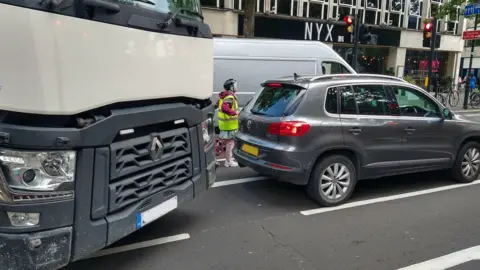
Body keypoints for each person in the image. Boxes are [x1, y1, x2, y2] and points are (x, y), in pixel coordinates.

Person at [216, 78, 239, 167]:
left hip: (224, 125)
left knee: (225, 142)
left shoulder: (223, 96)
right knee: (231, 143)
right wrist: (235, 113)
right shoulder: (230, 97)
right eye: (236, 86)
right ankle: (228, 161)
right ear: (231, 87)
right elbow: (224, 108)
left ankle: (217, 151)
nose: (237, 87)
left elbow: (218, 104)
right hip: (229, 125)